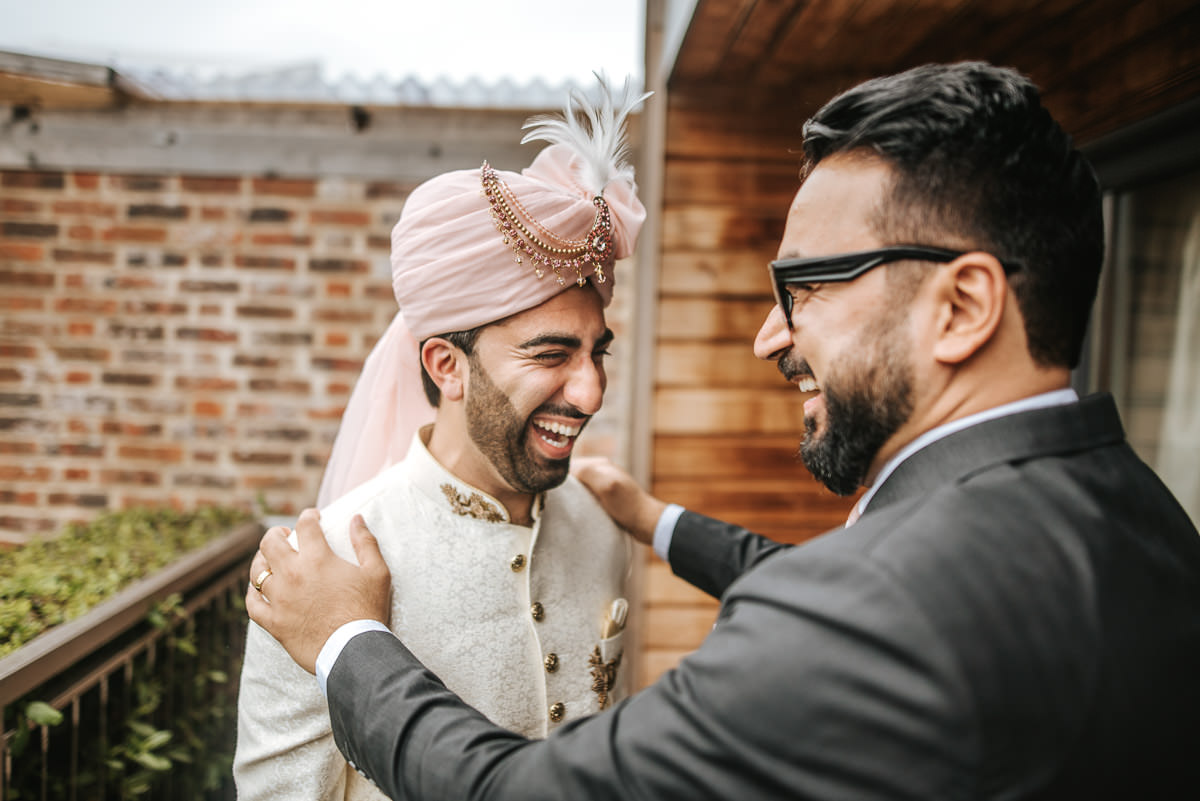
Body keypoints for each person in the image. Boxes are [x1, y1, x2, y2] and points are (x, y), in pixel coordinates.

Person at [245, 61, 1200, 800]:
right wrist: (656, 519)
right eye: (549, 351)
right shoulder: (1149, 520)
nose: (768, 336)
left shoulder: (878, 607)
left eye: (807, 287)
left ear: (961, 308)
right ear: (444, 365)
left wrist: (343, 639)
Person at [233, 78, 648, 800]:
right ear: (446, 366)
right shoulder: (321, 574)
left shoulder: (603, 524)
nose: (590, 393)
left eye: (596, 353)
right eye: (552, 355)